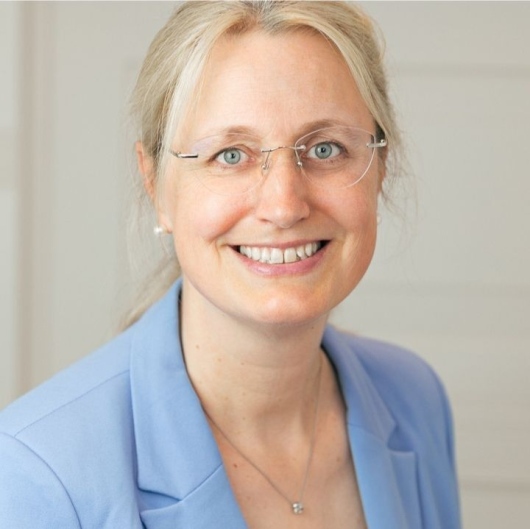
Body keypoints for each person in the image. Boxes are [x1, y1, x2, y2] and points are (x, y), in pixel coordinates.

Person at [0, 2, 461, 528]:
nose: (284, 206)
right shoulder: (39, 475)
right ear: (156, 186)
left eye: (326, 148)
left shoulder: (415, 400)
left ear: (380, 167)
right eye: (232, 155)